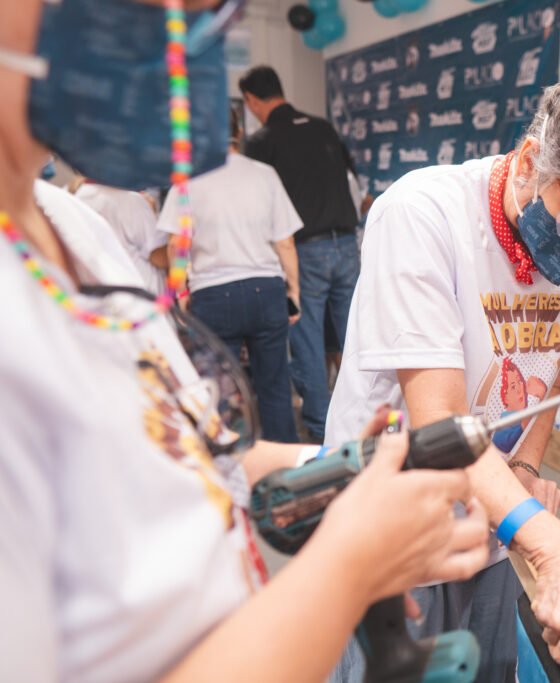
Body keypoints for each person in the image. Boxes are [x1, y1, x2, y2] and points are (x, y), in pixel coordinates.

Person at [0, 2, 488, 681]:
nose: (182, 36)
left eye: (209, 12)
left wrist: (345, 465)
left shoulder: (72, 226)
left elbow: (182, 449)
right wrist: (344, 570)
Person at [325, 65, 560, 681]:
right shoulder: (422, 215)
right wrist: (547, 539)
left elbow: (549, 365)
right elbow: (439, 422)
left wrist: (523, 470)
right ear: (530, 160)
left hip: (491, 515)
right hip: (394, 521)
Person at [157, 110, 302, 443]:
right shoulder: (264, 175)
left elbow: (177, 245)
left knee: (218, 391)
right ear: (240, 132)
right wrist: (293, 292)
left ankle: (229, 470)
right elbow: (285, 241)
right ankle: (284, 473)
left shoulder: (188, 180)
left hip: (212, 294)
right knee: (275, 387)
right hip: (266, 291)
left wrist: (179, 292)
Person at [239, 65, 361, 443]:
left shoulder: (262, 142)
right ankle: (365, 425)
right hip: (348, 244)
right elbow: (350, 179)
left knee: (307, 343)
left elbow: (258, 207)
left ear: (252, 101)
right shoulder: (323, 127)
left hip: (306, 250)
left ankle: (325, 431)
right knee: (356, 339)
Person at [74, 180, 168, 294]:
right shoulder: (130, 200)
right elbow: (161, 258)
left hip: (103, 292)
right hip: (141, 295)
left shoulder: (77, 197)